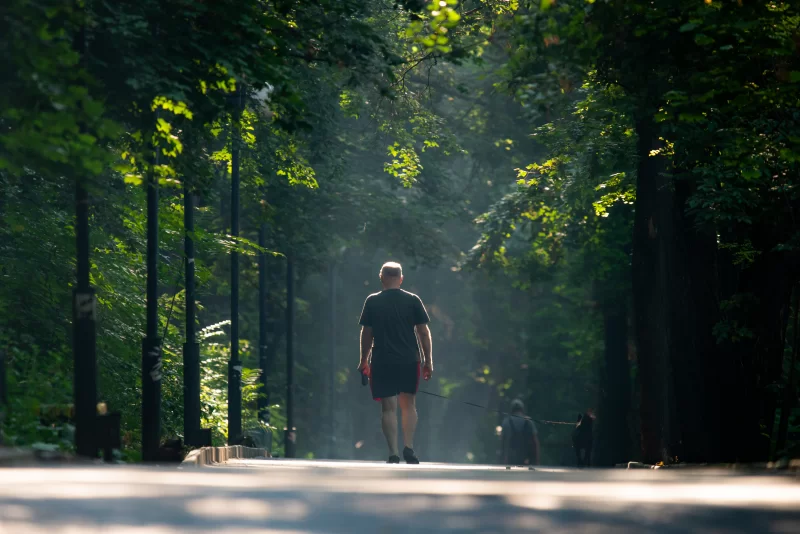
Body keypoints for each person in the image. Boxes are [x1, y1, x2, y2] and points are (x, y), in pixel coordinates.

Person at [358, 262, 433, 464]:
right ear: (401, 279)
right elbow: (423, 333)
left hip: (382, 361)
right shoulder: (413, 300)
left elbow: (367, 334)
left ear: (381, 278)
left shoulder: (372, 301)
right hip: (409, 360)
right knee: (409, 405)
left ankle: (393, 453)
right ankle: (409, 447)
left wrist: (364, 360)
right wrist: (428, 361)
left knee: (388, 408)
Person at [501, 399, 540, 466]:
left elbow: (503, 443)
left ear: (512, 409)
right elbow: (535, 442)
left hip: (511, 459)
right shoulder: (529, 421)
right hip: (527, 459)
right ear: (522, 409)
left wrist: (503, 459)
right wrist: (537, 460)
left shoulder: (506, 422)